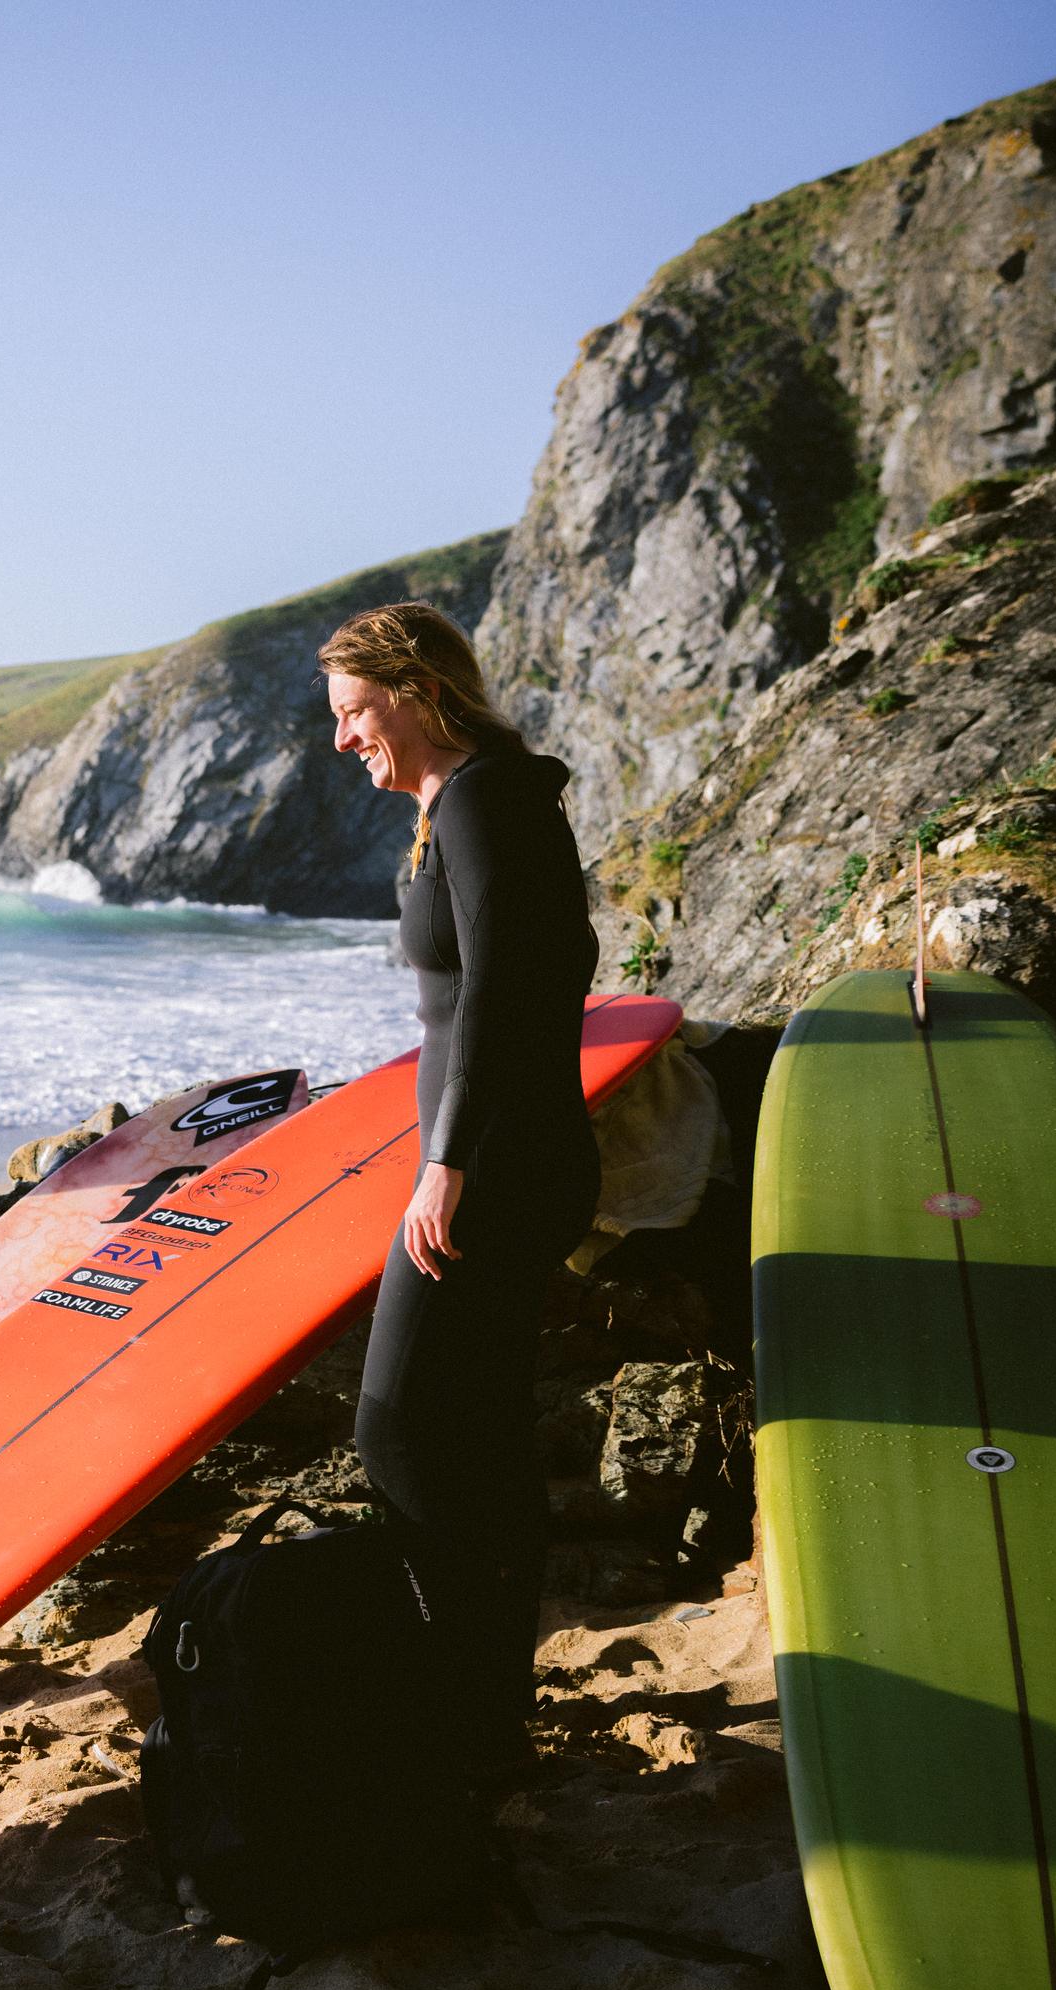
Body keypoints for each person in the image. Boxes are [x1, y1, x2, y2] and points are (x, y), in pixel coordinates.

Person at [324, 602, 599, 1795]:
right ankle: (490, 1706)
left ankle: (468, 1682)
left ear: (417, 687)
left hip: (500, 1166)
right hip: (500, 1153)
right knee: (479, 1431)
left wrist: (450, 1159)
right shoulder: (456, 809)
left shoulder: (486, 797)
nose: (342, 742)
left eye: (352, 713)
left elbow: (504, 991)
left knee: (395, 1423)